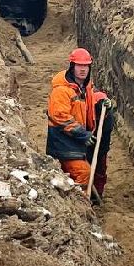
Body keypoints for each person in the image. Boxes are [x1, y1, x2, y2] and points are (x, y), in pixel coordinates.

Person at [46, 48, 114, 202]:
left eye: (86, 66)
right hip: (64, 144)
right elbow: (60, 117)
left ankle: (90, 200)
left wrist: (102, 99)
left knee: (94, 169)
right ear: (72, 66)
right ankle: (80, 205)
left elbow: (90, 98)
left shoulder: (85, 87)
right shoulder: (62, 91)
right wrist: (83, 135)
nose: (83, 69)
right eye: (79, 66)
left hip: (77, 142)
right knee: (83, 173)